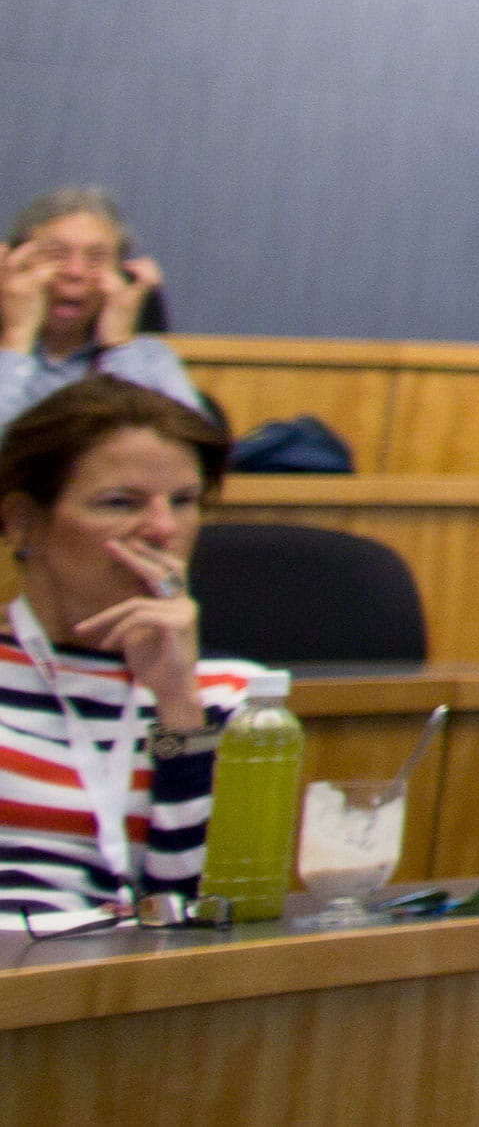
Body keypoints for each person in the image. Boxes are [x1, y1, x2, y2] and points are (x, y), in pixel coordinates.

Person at [0, 378, 260, 920]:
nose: (163, 529)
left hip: (144, 991)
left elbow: (213, 914)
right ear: (22, 520)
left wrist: (178, 705)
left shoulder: (239, 699)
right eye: (120, 503)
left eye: (185, 502)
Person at [3, 188, 203, 418]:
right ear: (14, 268)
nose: (75, 272)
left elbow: (187, 448)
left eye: (96, 257)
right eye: (57, 254)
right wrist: (17, 337)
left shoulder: (150, 358)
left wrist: (118, 348)